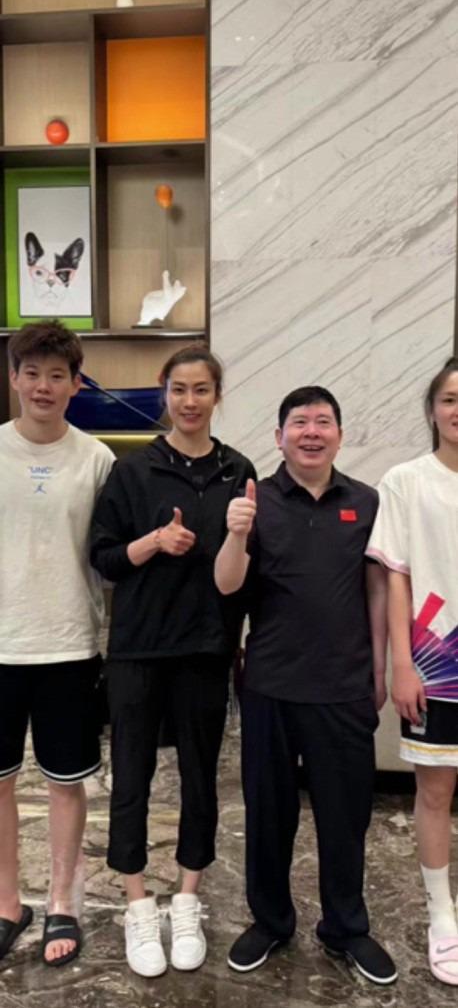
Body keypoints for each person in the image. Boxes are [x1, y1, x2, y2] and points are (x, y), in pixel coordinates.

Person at [214, 385, 397, 985]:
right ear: (279, 436)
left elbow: (377, 589)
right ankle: (270, 922)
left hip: (344, 686)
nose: (311, 432)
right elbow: (226, 585)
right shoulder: (255, 500)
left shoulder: (366, 501)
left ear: (339, 436)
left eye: (323, 422)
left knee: (345, 818)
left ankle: (346, 928)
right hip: (271, 684)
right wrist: (235, 533)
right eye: (299, 422)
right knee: (269, 814)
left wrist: (380, 668)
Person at [90, 343, 256, 978]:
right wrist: (154, 541)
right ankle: (137, 903)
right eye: (179, 389)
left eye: (201, 390)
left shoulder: (238, 470)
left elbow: (245, 573)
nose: (190, 401)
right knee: (130, 776)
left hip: (206, 649)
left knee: (200, 777)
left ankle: (187, 898)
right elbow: (104, 558)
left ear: (217, 396)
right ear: (164, 394)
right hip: (138, 648)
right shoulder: (133, 471)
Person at [0, 320, 114, 967]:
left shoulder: (96, 460)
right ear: (14, 378)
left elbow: (109, 557)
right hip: (0, 645)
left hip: (69, 643)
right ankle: (6, 903)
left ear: (75, 385)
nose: (43, 386)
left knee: (66, 783)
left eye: (57, 375)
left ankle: (62, 901)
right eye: (32, 373)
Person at [367, 357, 458, 985]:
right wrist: (402, 663)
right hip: (436, 662)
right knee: (435, 792)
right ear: (432, 410)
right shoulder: (406, 481)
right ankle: (442, 915)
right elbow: (395, 577)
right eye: (449, 399)